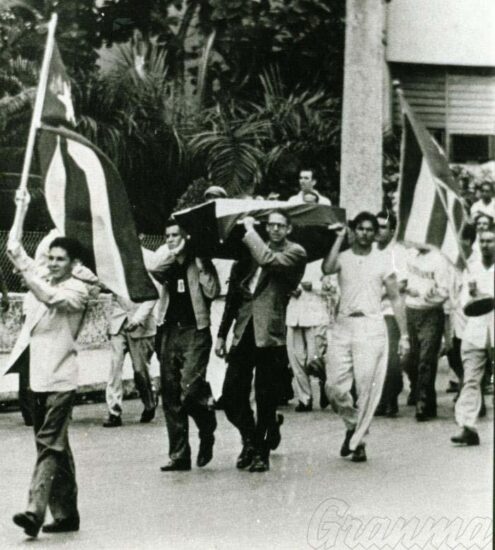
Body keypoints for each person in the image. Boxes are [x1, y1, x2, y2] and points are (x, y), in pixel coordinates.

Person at [5, 222, 94, 537]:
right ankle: (67, 514)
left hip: (61, 380)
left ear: (74, 264)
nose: (52, 263)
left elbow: (50, 298)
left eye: (60, 259)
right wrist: (22, 208)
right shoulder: (42, 277)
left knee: (48, 446)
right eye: (50, 257)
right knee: (56, 449)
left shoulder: (77, 290)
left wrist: (31, 276)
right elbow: (15, 251)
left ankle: (34, 511)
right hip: (38, 379)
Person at [217, 210, 307, 472]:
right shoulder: (250, 251)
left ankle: (261, 451)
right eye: (271, 225)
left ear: (289, 229)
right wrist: (222, 333)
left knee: (265, 397)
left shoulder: (295, 252)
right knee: (232, 395)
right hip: (244, 329)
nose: (275, 230)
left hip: (270, 333)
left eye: (281, 225)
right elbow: (235, 295)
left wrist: (250, 230)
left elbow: (270, 262)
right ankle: (250, 438)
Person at [322, 212, 409, 463]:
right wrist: (339, 238)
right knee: (335, 388)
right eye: (360, 229)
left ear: (375, 233)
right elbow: (327, 268)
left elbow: (395, 297)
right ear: (353, 230)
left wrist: (404, 335)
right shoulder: (343, 258)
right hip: (343, 324)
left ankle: (359, 441)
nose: (365, 234)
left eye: (370, 230)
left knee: (365, 387)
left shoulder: (383, 260)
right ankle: (352, 425)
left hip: (371, 326)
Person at [145, 220, 220, 472]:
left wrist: (200, 262)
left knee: (190, 389)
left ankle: (207, 427)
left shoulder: (199, 260)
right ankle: (179, 455)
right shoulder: (167, 263)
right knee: (170, 393)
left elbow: (212, 291)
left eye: (176, 235)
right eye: (167, 235)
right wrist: (173, 253)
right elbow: (154, 269)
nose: (170, 239)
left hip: (195, 330)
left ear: (187, 237)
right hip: (169, 329)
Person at [451, 228, 494, 446]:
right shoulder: (472, 269)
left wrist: (488, 298)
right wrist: (473, 295)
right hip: (476, 330)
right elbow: (463, 303)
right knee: (470, 379)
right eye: (483, 241)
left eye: (491, 241)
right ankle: (467, 426)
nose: (486, 245)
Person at [403, 242, 450, 421]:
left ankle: (422, 402)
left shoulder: (439, 259)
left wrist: (423, 294)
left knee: (426, 359)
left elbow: (444, 290)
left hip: (430, 312)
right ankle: (427, 400)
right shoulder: (410, 256)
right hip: (411, 310)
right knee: (412, 358)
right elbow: (401, 280)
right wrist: (405, 288)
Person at [103, 293, 158, 427]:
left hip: (141, 325)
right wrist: (109, 322)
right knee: (115, 366)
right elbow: (110, 294)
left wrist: (137, 319)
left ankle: (149, 403)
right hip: (118, 324)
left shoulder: (147, 272)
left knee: (140, 370)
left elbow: (152, 297)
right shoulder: (117, 273)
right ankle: (114, 412)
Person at [285, 260, 333, 412]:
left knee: (315, 358)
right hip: (294, 315)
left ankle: (326, 383)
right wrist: (289, 290)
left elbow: (331, 289)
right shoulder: (289, 259)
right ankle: (305, 399)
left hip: (315, 315)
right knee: (296, 359)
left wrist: (313, 287)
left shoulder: (322, 261)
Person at [374, 211, 407, 418]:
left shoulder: (398, 253)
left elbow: (402, 282)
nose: (379, 231)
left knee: (392, 362)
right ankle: (379, 400)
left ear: (392, 230)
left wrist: (381, 290)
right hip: (371, 313)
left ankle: (391, 398)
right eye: (376, 226)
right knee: (375, 359)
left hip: (389, 311)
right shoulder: (369, 251)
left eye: (384, 227)